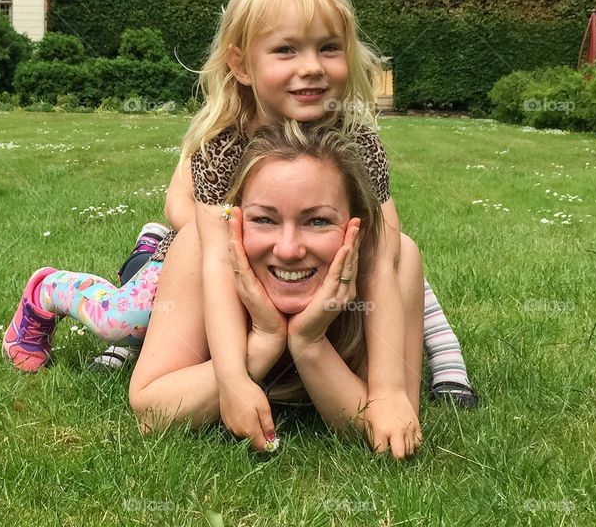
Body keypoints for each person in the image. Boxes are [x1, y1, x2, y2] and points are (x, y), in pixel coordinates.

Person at [3, 0, 474, 458]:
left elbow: (383, 256)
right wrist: (232, 374)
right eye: (287, 49)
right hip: (209, 257)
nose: (311, 65)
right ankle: (50, 289)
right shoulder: (222, 141)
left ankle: (439, 351)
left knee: (403, 260)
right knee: (129, 317)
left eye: (329, 47)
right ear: (242, 64)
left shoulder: (357, 141)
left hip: (297, 273)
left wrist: (389, 391)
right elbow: (213, 259)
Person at [129, 121, 423, 456]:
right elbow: (152, 411)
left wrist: (309, 342)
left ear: (359, 227)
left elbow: (393, 429)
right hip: (154, 274)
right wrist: (265, 340)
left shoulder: (393, 262)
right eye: (264, 220)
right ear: (234, 221)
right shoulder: (200, 249)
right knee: (126, 315)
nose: (287, 249)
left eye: (318, 221)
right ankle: (147, 243)